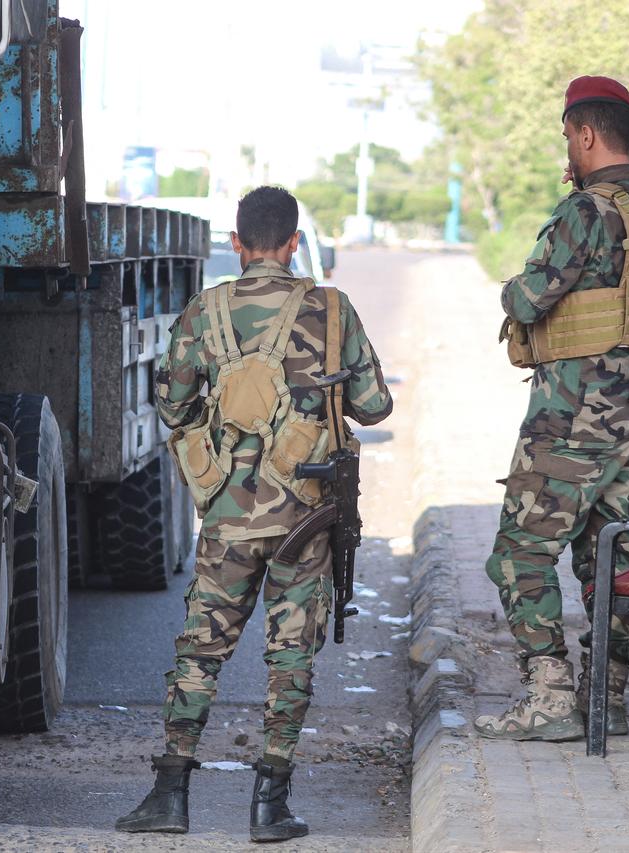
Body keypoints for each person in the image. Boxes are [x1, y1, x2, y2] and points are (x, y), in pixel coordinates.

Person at [115, 186, 392, 841]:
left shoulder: (204, 311)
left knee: (199, 654)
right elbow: (376, 405)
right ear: (294, 243)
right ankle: (270, 805)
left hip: (229, 518)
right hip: (306, 517)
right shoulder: (333, 310)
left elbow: (173, 407)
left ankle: (170, 793)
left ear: (237, 244)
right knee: (290, 657)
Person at [475, 76, 629, 741]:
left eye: (569, 134)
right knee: (610, 555)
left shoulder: (585, 212)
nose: (567, 146)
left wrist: (513, 286)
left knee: (519, 552)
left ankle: (550, 695)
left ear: (587, 134)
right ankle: (610, 697)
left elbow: (527, 300)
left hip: (573, 420)